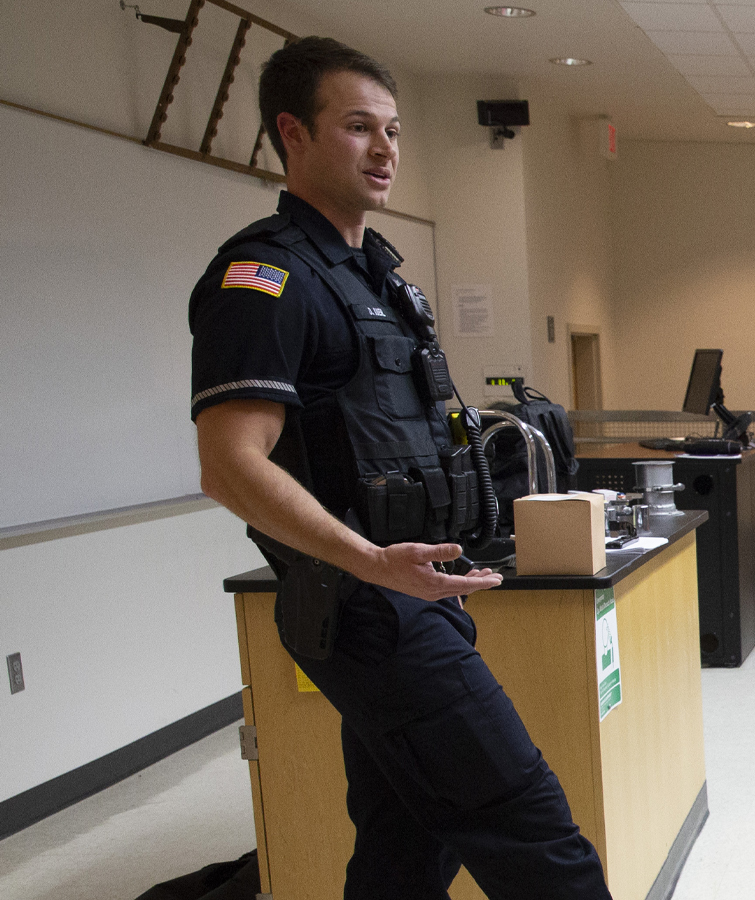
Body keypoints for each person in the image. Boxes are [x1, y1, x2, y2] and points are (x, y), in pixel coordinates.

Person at [190, 38, 610, 898]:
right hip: (371, 610)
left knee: (406, 845)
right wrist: (369, 562)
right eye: (357, 127)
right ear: (293, 135)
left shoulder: (378, 280)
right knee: (529, 827)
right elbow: (229, 466)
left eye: (391, 130)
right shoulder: (267, 277)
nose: (385, 150)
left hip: (419, 594)